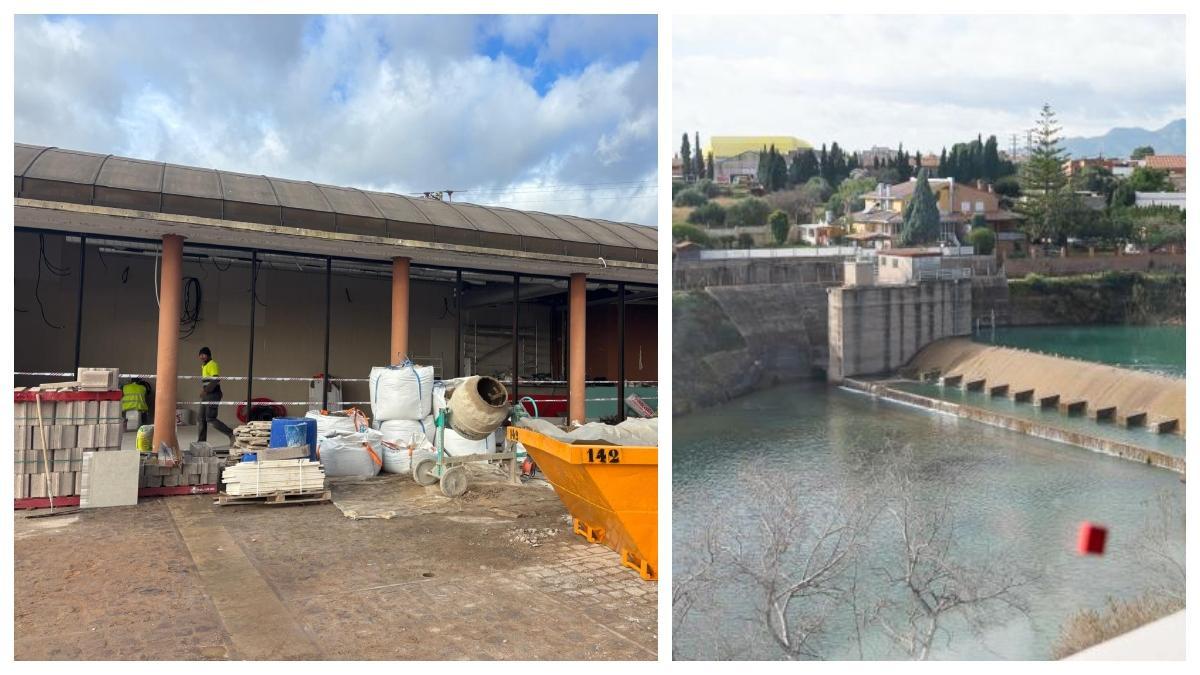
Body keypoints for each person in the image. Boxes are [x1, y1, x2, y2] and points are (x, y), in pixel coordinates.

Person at [198, 347, 234, 443]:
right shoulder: (204, 366)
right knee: (201, 418)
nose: (201, 356)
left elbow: (216, 379)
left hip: (212, 394)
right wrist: (205, 391)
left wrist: (205, 391)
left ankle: (231, 434)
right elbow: (208, 381)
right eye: (200, 355)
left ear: (209, 355)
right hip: (207, 395)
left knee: (210, 418)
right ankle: (201, 443)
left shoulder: (212, 364)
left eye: (203, 354)